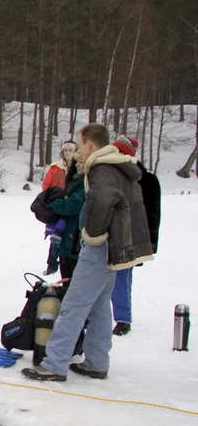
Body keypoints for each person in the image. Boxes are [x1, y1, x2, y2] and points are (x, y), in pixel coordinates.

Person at [22, 123, 153, 382]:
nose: (78, 151)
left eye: (80, 145)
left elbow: (102, 203)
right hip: (113, 247)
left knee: (74, 305)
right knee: (99, 306)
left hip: (99, 248)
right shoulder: (119, 167)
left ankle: (54, 364)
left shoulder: (102, 168)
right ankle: (96, 362)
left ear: (90, 144)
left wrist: (92, 236)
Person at [109, 135, 161, 336]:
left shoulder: (146, 180)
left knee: (122, 279)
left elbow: (152, 214)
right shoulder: (108, 174)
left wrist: (148, 244)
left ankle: (123, 319)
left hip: (130, 237)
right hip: (107, 234)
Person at [42, 140, 77, 275]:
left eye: (70, 150)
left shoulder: (79, 167)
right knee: (55, 235)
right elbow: (47, 184)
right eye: (66, 150)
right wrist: (49, 199)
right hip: (57, 205)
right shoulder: (56, 168)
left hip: (71, 205)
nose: (68, 153)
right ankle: (51, 264)